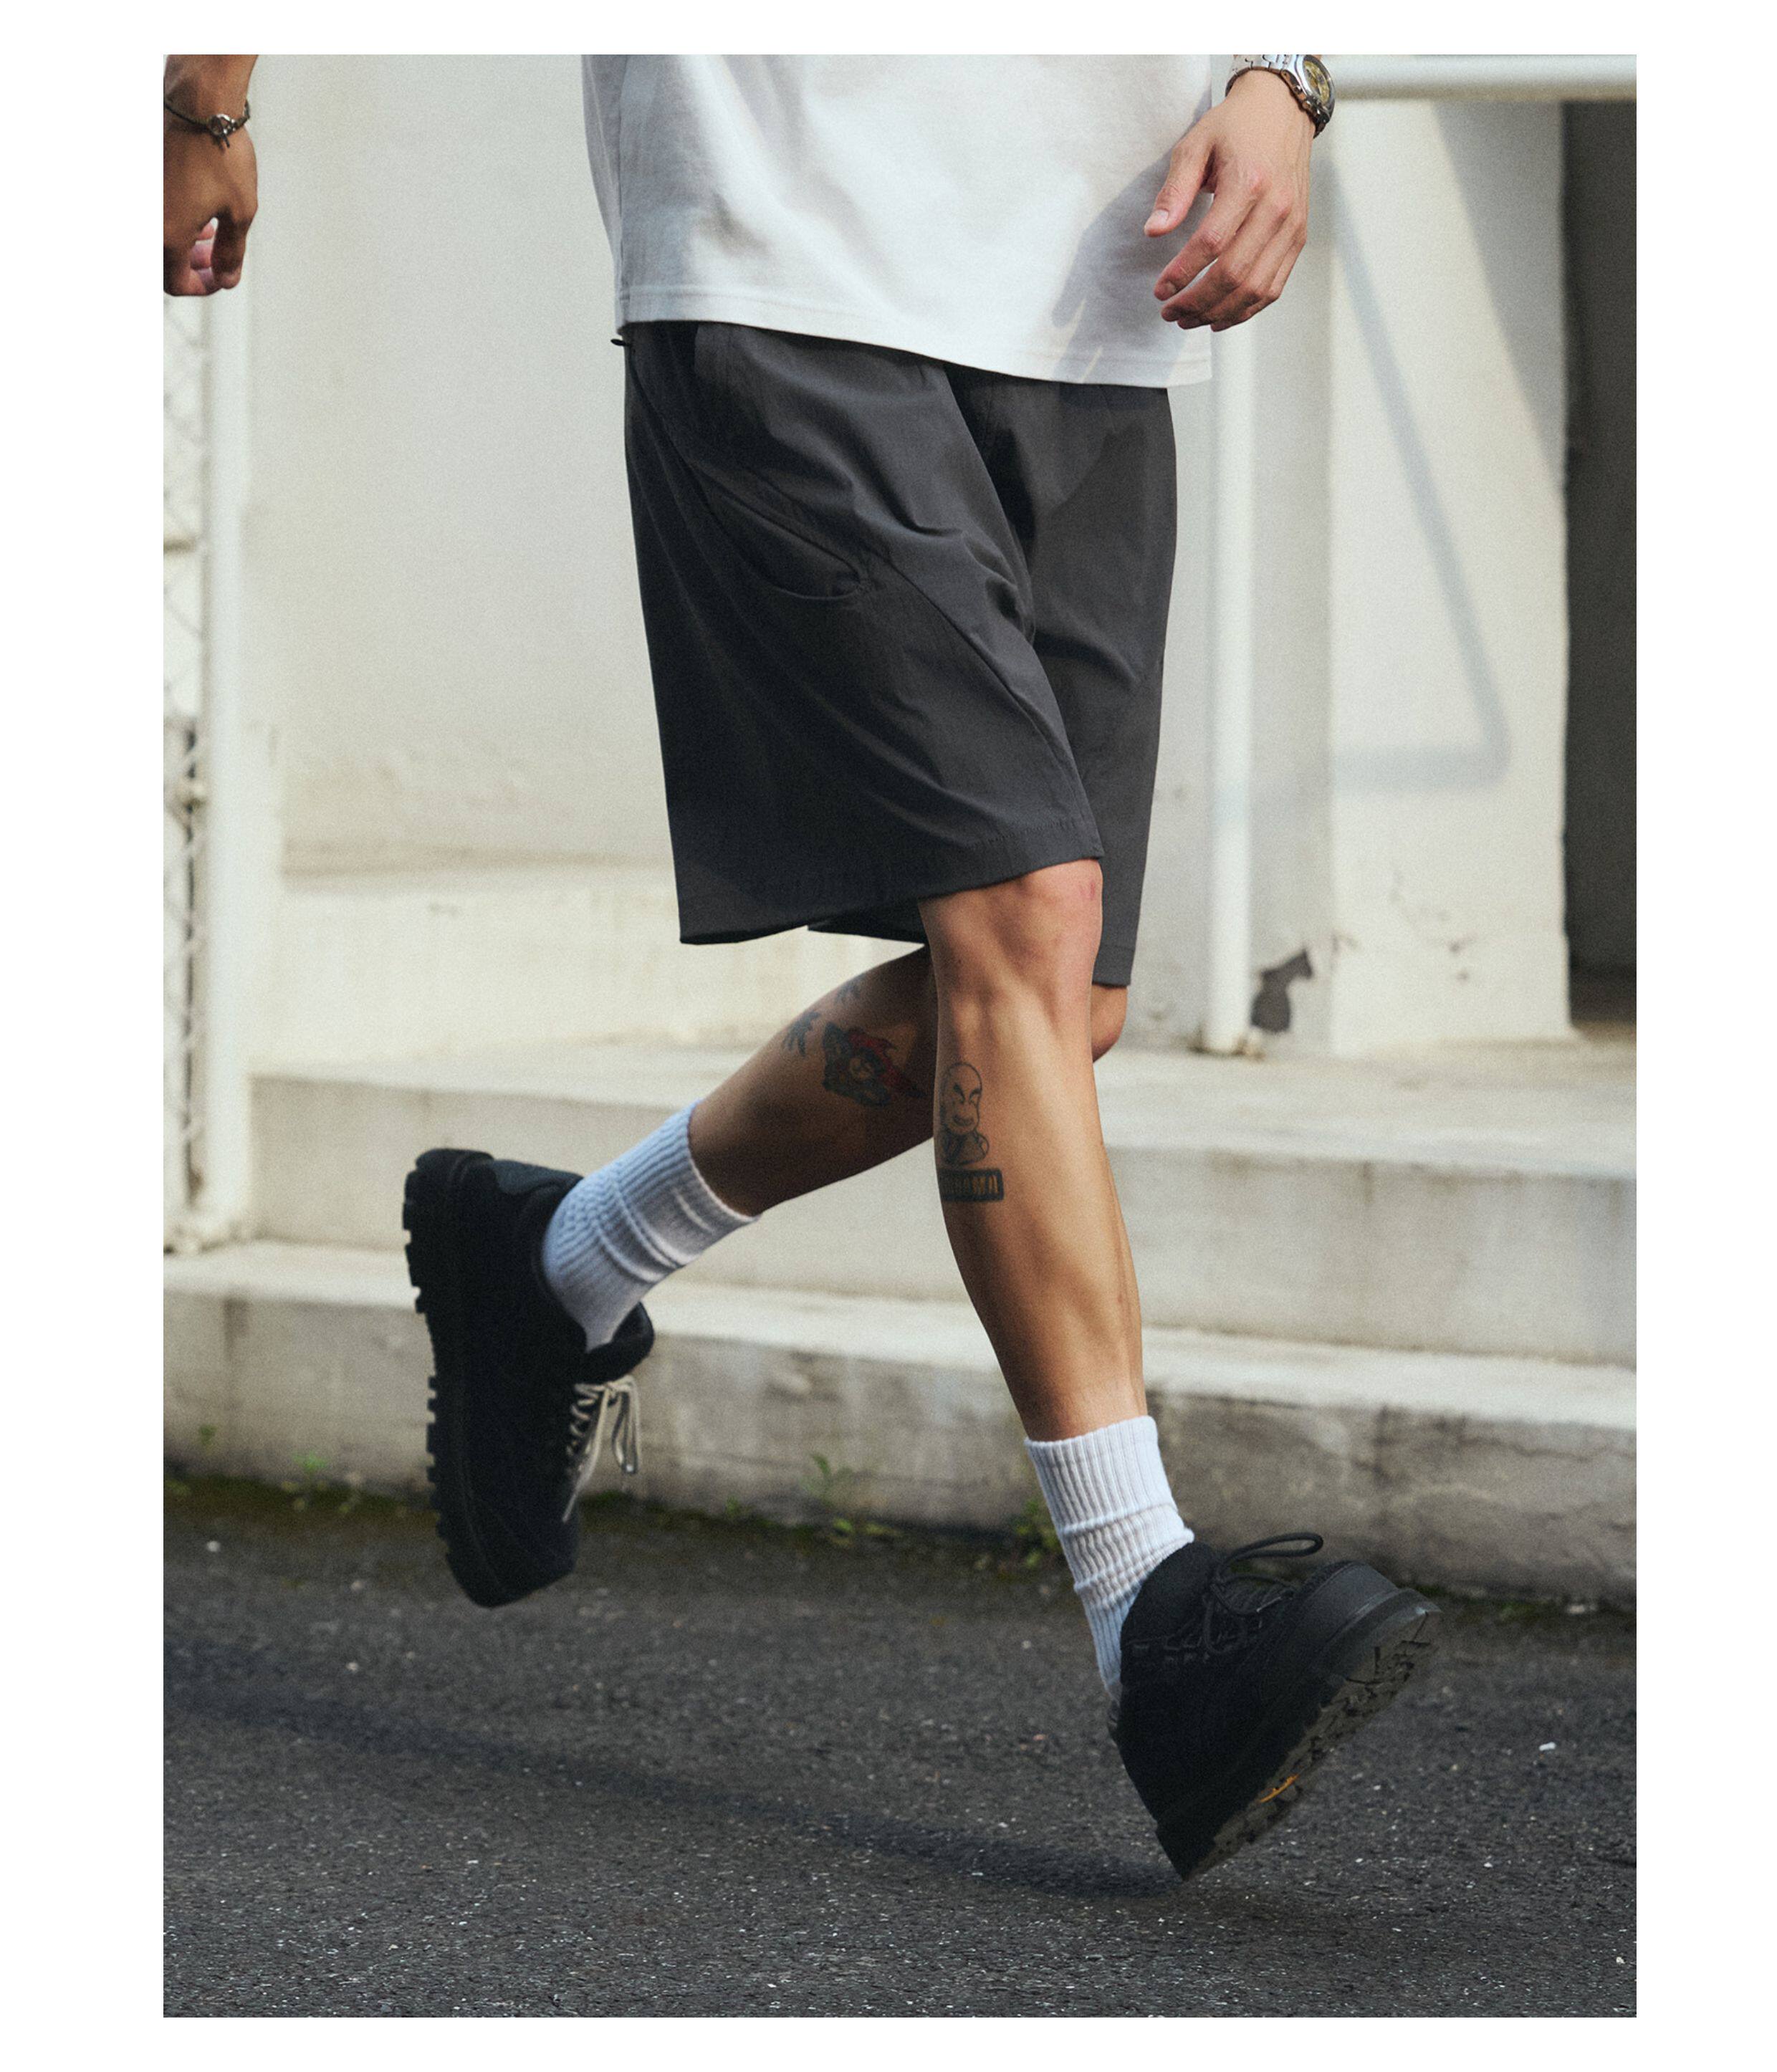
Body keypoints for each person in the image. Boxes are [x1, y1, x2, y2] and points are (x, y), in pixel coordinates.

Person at [165, 51, 1437, 1883]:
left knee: (1056, 1003)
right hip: (790, 248)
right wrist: (196, 98)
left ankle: (557, 1258)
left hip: (1097, 283)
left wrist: (1286, 78)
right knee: (1025, 920)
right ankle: (1144, 1607)